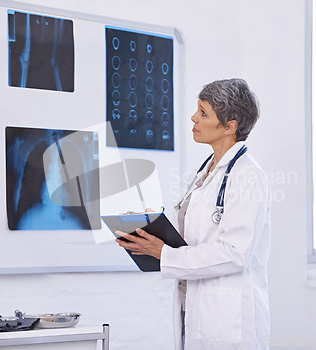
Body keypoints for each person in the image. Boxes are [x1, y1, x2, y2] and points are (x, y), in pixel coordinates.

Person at [116, 78, 271, 350]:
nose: (193, 118)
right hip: (192, 308)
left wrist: (164, 253)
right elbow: (190, 235)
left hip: (227, 317)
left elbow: (235, 254)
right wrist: (150, 228)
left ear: (229, 127)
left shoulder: (248, 176)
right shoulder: (202, 173)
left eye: (203, 113)